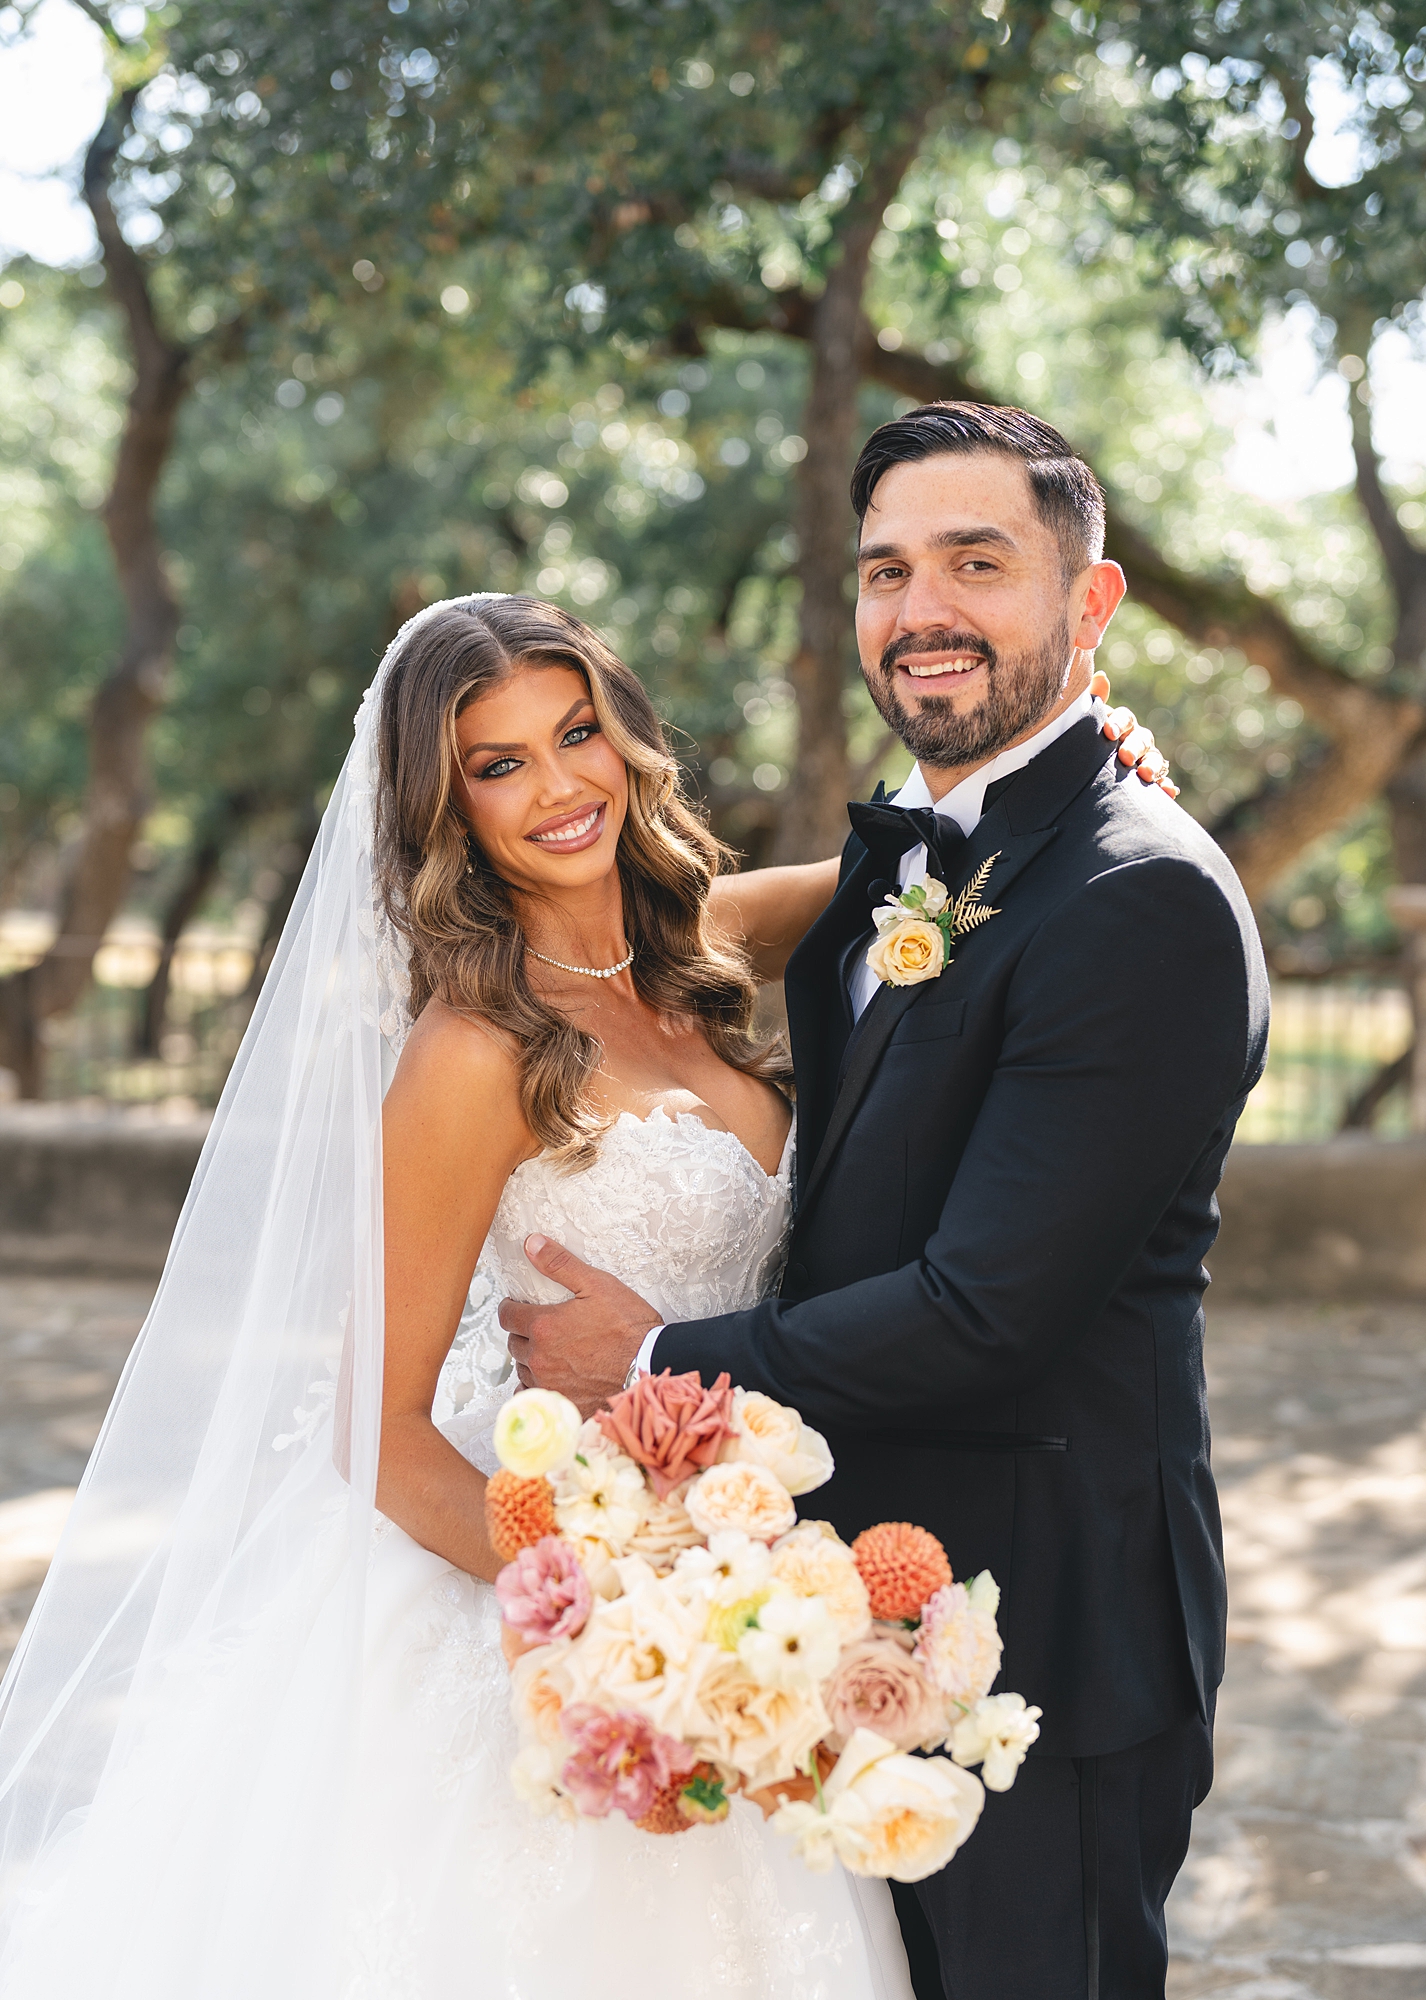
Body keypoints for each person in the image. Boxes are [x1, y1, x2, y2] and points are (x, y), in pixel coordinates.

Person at [0, 586, 1170, 1999]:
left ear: (625, 738)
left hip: (739, 1585)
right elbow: (373, 1438)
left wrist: (1096, 775)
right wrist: (610, 1612)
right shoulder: (472, 1050)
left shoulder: (699, 949)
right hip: (551, 1604)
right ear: (449, 808)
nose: (559, 787)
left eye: (577, 734)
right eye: (500, 765)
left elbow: (946, 873)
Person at [503, 404, 1271, 2000]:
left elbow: (990, 1304)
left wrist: (653, 1372)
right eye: (887, 571)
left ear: (1092, 602)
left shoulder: (1142, 899)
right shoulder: (916, 860)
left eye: (978, 564)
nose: (922, 610)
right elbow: (611, 951)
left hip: (1040, 1634)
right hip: (830, 1612)